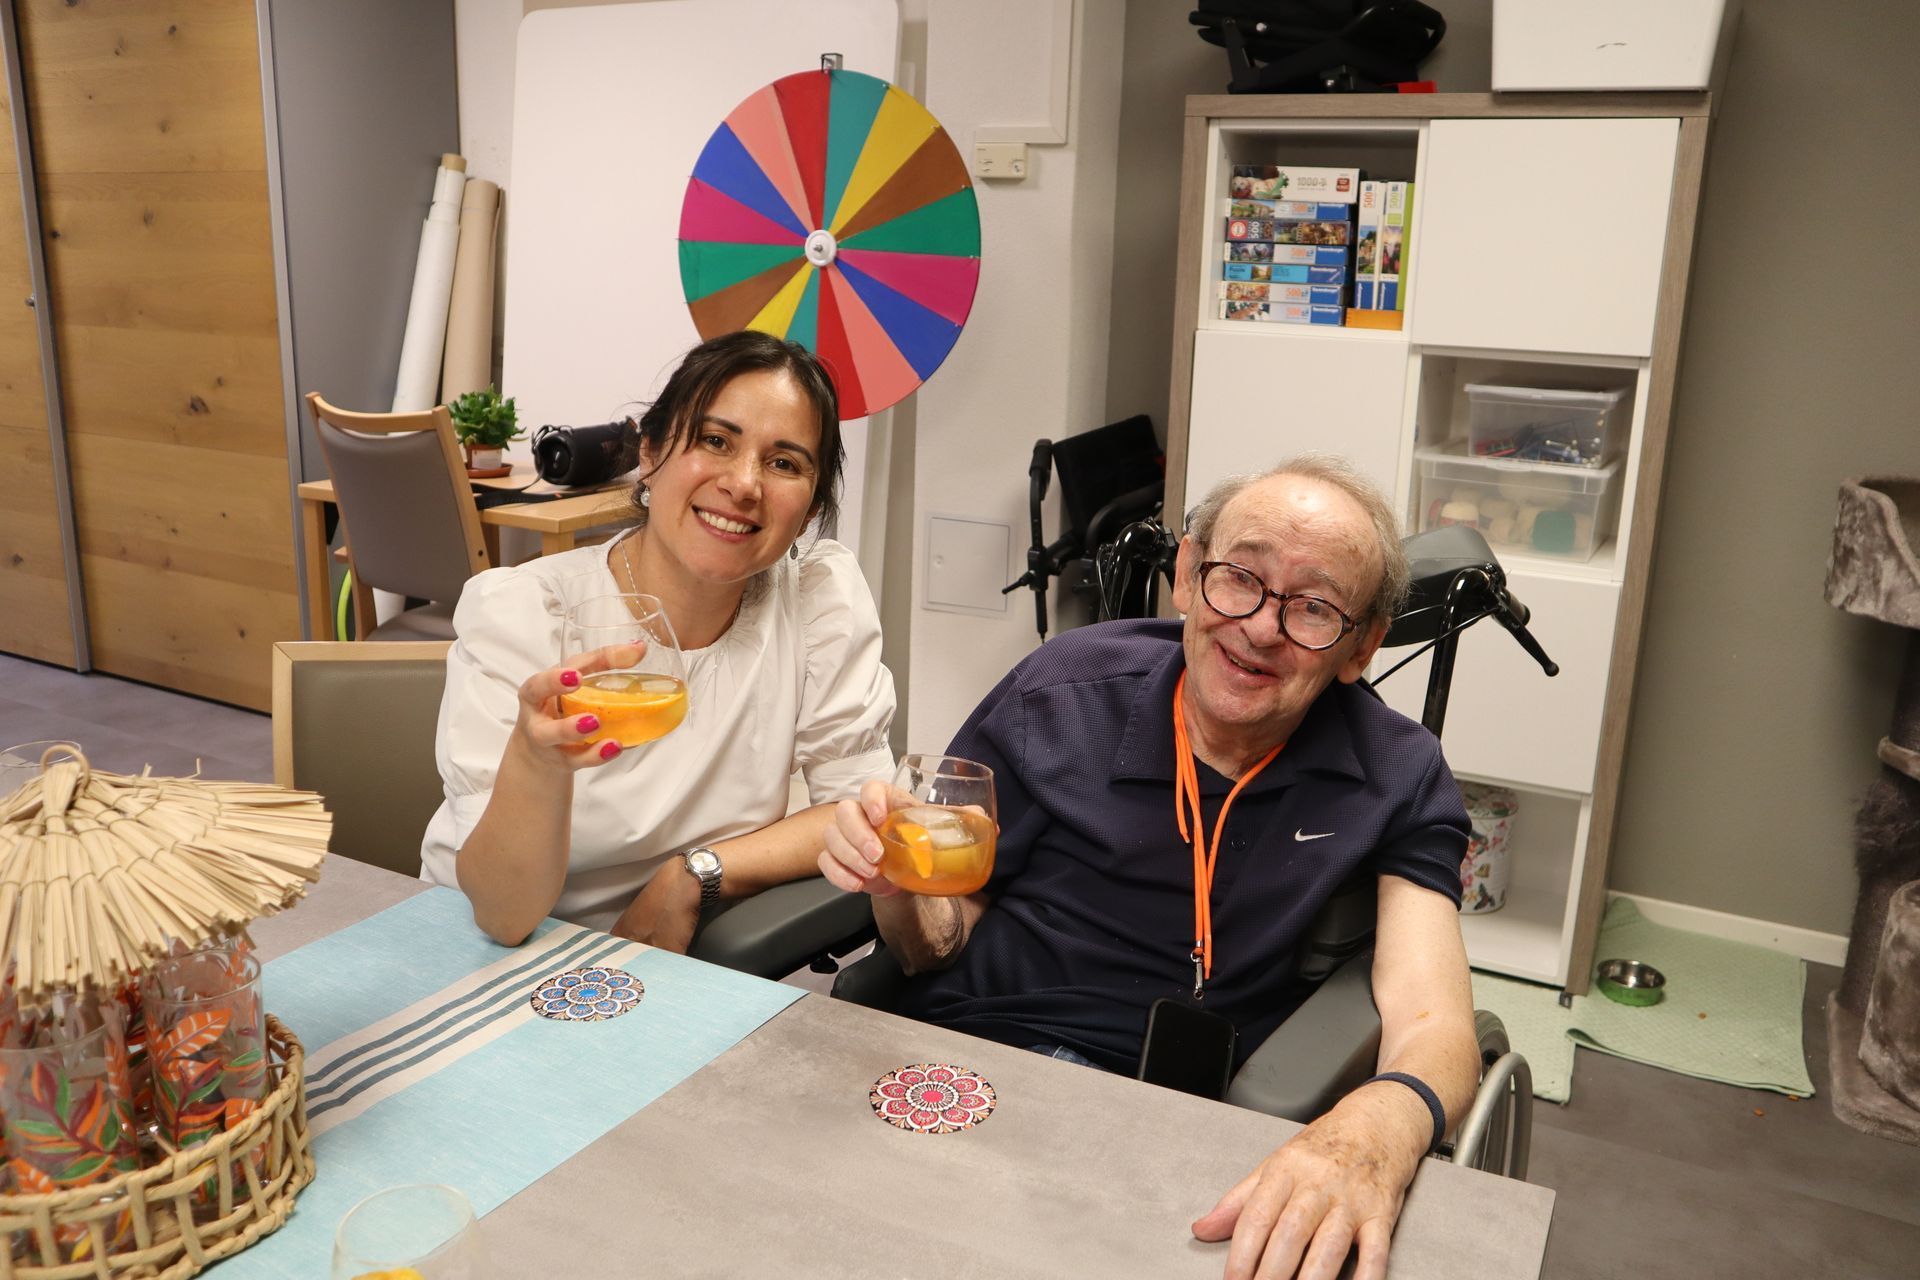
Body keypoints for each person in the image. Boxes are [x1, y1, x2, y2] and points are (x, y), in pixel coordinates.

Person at [820, 454, 1478, 1280]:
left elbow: (1436, 1023)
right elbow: (934, 944)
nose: (1261, 626)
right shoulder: (1060, 690)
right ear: (1185, 576)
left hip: (1177, 1123)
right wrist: (899, 892)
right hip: (971, 1063)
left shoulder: (1396, 769)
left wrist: (1373, 1133)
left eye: (1314, 607)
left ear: (1362, 648)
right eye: (1239, 577)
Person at [423, 330, 894, 949]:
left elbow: (858, 813)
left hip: (675, 960)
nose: (745, 484)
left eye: (784, 463)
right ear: (649, 453)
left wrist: (699, 873)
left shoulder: (816, 598)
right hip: (489, 945)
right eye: (715, 441)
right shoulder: (527, 613)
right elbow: (503, 916)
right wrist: (537, 763)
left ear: (808, 510)